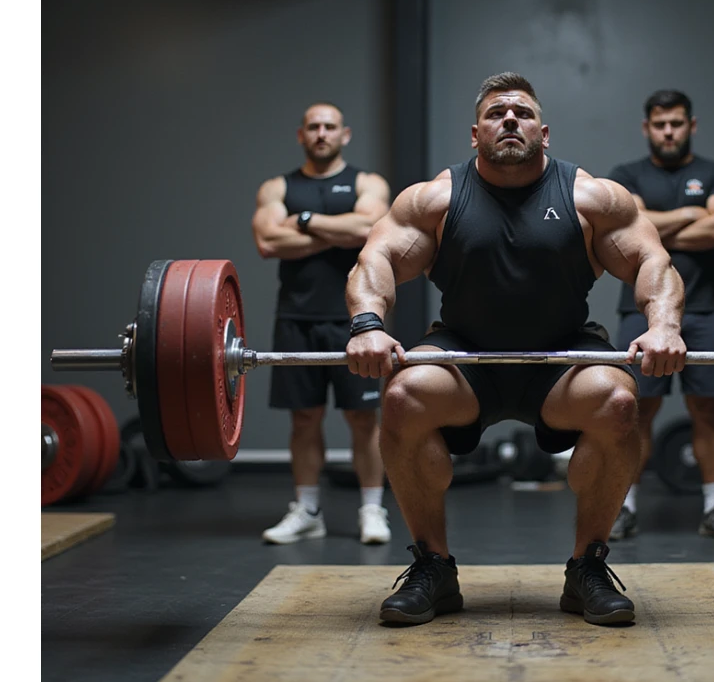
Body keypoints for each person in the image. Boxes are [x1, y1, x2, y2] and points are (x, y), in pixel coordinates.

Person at [343, 72, 687, 626]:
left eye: (522, 113)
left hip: (560, 356)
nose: (509, 120)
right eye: (497, 113)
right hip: (466, 356)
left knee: (619, 402)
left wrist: (664, 325)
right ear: (474, 133)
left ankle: (587, 569)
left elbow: (654, 263)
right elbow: (374, 261)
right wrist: (366, 325)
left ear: (544, 132)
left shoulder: (591, 197)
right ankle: (434, 568)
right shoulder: (435, 198)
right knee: (403, 396)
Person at [607, 90, 714, 542]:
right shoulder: (624, 176)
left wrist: (654, 225)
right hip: (640, 310)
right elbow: (625, 231)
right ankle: (623, 507)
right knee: (635, 411)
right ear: (647, 128)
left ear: (692, 125)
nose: (669, 131)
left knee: (707, 411)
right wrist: (691, 214)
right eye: (661, 123)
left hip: (705, 310)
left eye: (677, 123)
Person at [252, 101, 392, 546]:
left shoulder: (366, 183)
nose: (321, 133)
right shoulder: (278, 186)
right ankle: (307, 510)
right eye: (313, 127)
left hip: (355, 319)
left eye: (329, 126)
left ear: (344, 134)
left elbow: (372, 227)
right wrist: (338, 233)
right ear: (301, 135)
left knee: (363, 418)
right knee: (303, 419)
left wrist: (308, 223)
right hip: (296, 317)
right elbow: (267, 240)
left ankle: (372, 510)